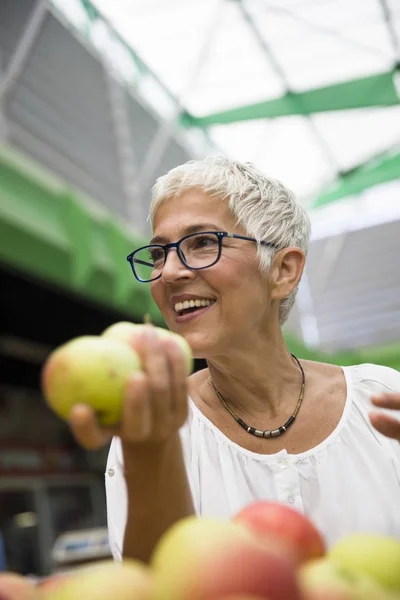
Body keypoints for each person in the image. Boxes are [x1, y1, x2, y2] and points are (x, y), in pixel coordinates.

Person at [69, 157, 400, 564]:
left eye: (203, 243)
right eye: (158, 253)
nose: (169, 272)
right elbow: (154, 585)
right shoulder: (154, 425)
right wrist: (152, 453)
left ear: (283, 270)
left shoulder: (383, 399)